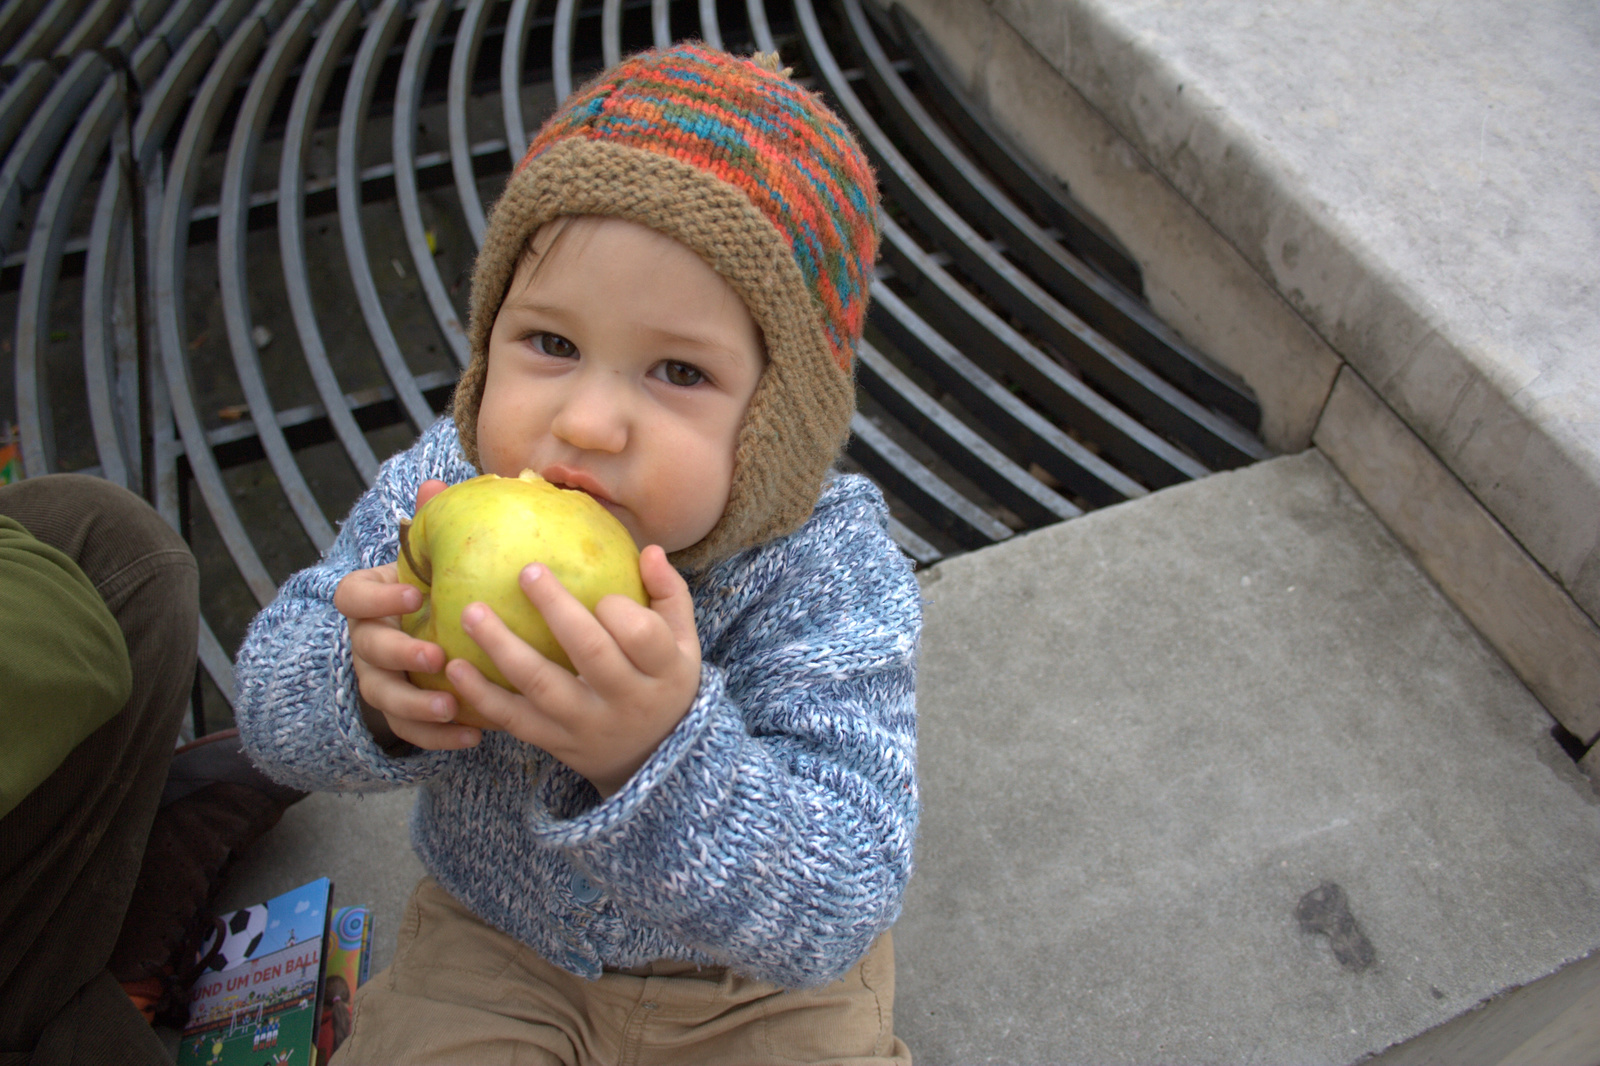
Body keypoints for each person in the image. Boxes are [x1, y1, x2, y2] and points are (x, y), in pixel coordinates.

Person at [235, 42, 921, 1064]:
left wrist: (655, 753)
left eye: (677, 369)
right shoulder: (448, 491)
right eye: (550, 345)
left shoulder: (825, 572)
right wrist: (366, 688)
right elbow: (264, 708)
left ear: (777, 422)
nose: (590, 421)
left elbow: (841, 893)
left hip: (750, 988)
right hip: (500, 945)